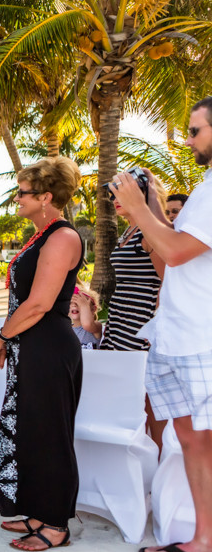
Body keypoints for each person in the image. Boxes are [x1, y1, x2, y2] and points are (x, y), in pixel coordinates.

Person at [118, 98, 212, 552]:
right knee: (194, 442)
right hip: (176, 335)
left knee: (208, 444)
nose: (190, 137)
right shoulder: (203, 189)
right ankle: (203, 542)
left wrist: (138, 211)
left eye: (196, 130)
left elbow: (175, 251)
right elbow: (175, 249)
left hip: (204, 339)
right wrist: (151, 210)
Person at [0, 156, 84, 552]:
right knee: (30, 431)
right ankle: (38, 511)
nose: (16, 200)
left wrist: (0, 337)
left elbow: (40, 303)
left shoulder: (63, 237)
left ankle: (56, 524)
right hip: (32, 347)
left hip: (48, 349)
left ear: (45, 196)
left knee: (50, 435)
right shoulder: (41, 236)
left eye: (22, 193)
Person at [100, 168, 167, 447]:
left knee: (151, 408)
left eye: (121, 190)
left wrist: (158, 336)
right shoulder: (130, 229)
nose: (114, 197)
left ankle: (163, 477)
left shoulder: (149, 230)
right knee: (126, 407)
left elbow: (167, 282)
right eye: (112, 192)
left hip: (142, 330)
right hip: (119, 326)